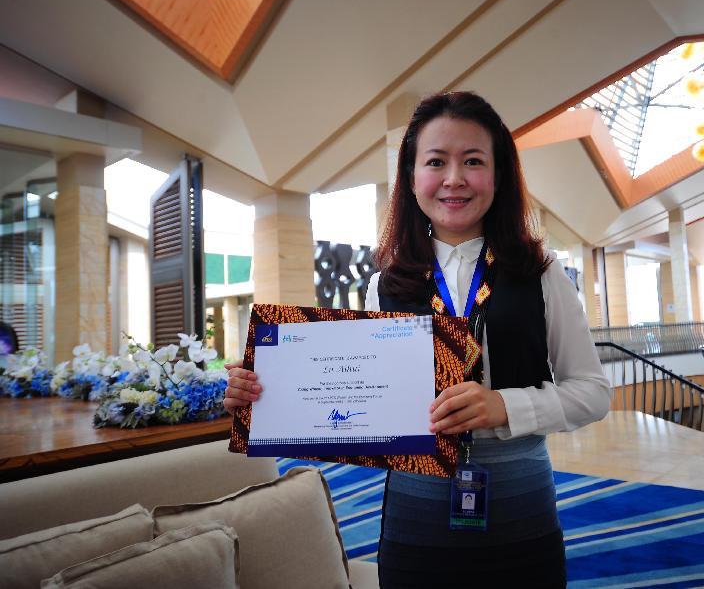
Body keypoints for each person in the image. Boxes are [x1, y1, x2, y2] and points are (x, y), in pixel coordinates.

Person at [224, 91, 611, 588]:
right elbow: (354, 397)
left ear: (498, 175)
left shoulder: (541, 272)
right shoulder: (384, 284)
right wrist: (266, 392)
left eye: (473, 161)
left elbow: (593, 392)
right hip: (415, 508)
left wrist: (505, 406)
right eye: (435, 161)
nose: (454, 178)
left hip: (521, 501)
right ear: (411, 178)